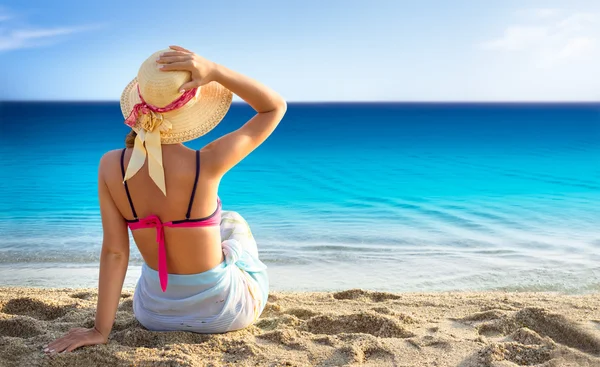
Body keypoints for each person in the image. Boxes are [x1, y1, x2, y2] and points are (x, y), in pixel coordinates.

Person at [44, 45, 286, 354]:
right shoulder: (206, 164)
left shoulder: (110, 166)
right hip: (223, 312)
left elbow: (115, 253)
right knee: (234, 223)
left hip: (153, 313)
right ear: (190, 109)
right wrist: (215, 70)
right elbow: (274, 107)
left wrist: (99, 330)